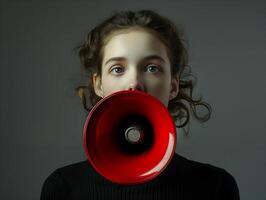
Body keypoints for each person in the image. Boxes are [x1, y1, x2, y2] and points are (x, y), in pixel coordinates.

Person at [41, 9, 240, 200]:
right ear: (98, 84)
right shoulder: (63, 188)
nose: (134, 83)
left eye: (152, 68)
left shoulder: (215, 187)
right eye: (118, 69)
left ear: (172, 86)